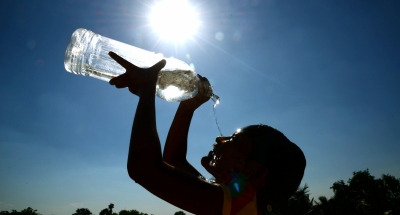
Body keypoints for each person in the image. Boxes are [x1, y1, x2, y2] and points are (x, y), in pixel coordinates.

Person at [108, 51, 306, 215]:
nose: (220, 139)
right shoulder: (240, 205)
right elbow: (173, 160)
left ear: (258, 172)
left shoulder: (244, 206)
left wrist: (147, 89)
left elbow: (145, 169)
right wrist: (187, 108)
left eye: (234, 140)